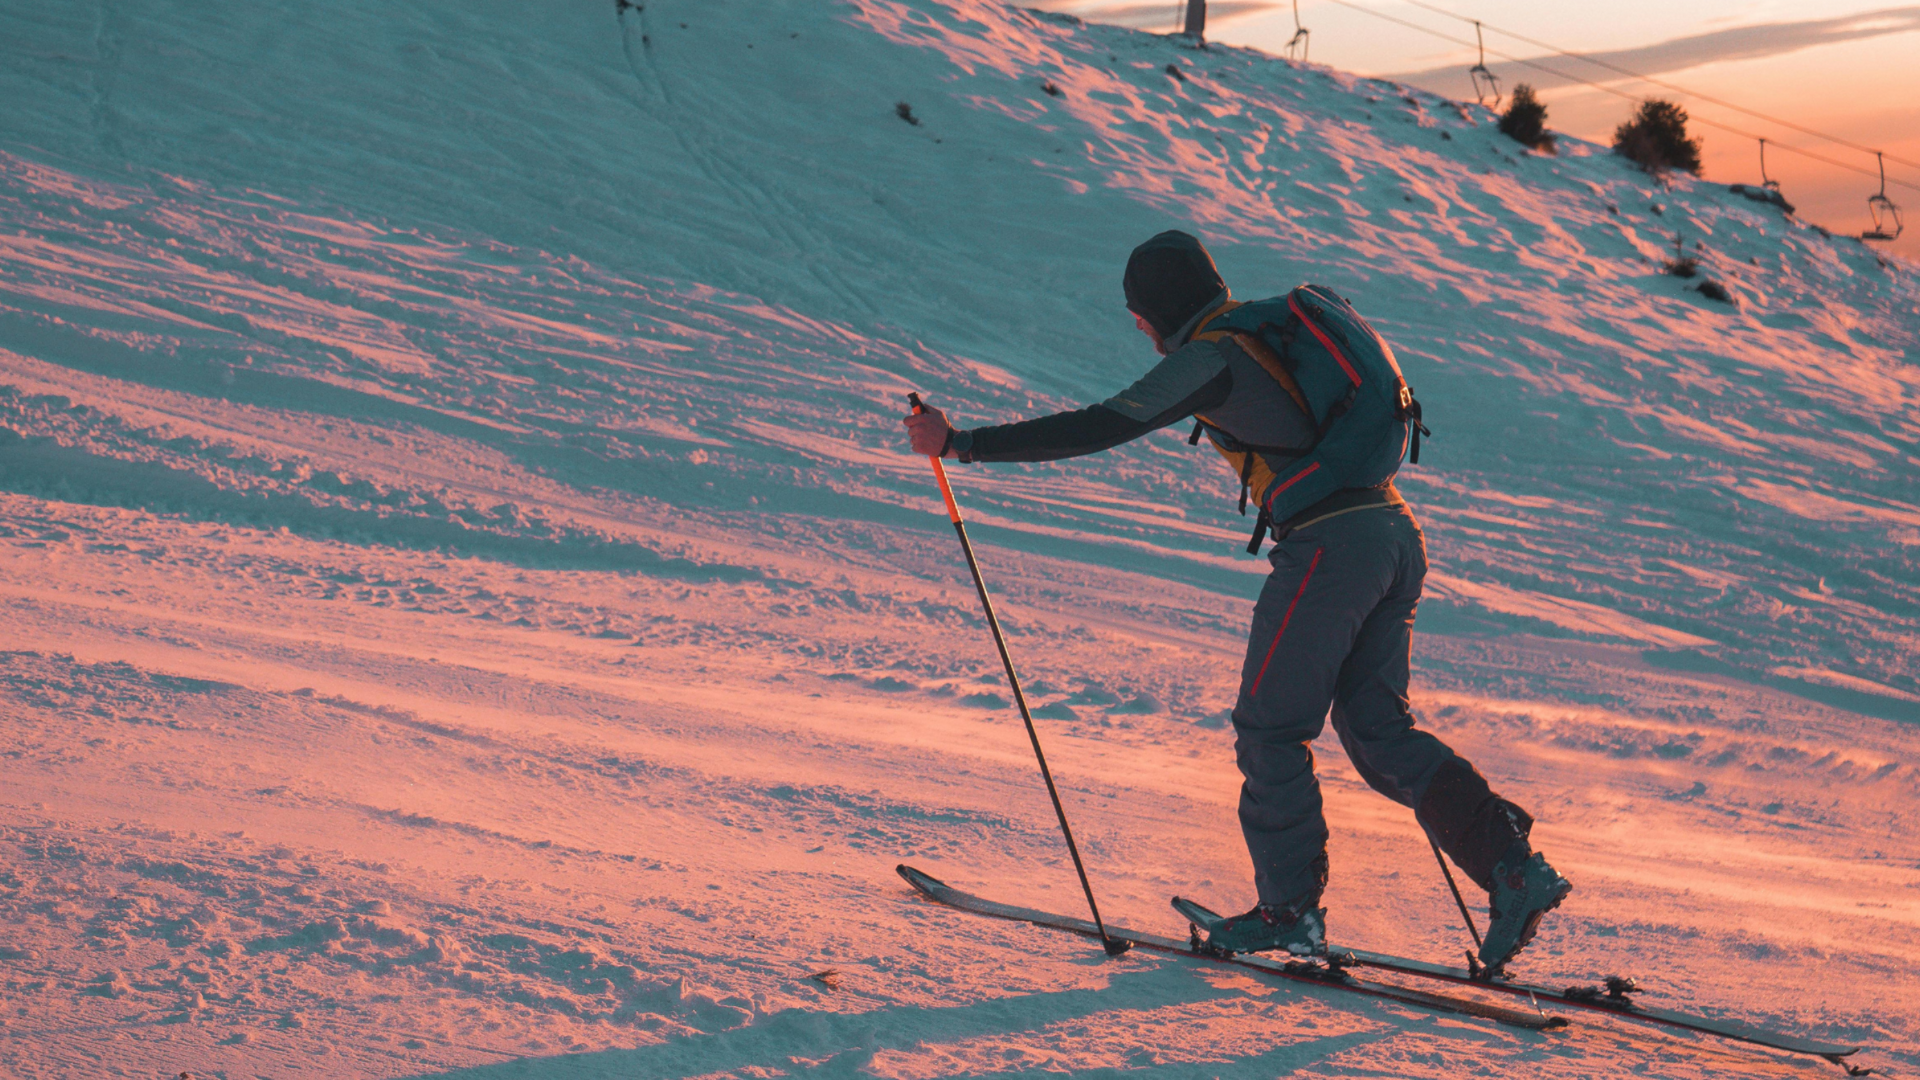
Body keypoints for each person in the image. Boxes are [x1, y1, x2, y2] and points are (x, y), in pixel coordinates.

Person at [903, 230, 1570, 969]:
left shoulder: (1211, 357)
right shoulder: (1266, 329)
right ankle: (1513, 868)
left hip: (1332, 547)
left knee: (1270, 728)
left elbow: (1107, 423)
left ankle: (1289, 911)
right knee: (1378, 733)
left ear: (1159, 309)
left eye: (1138, 314)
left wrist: (960, 443)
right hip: (1392, 532)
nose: (1139, 330)